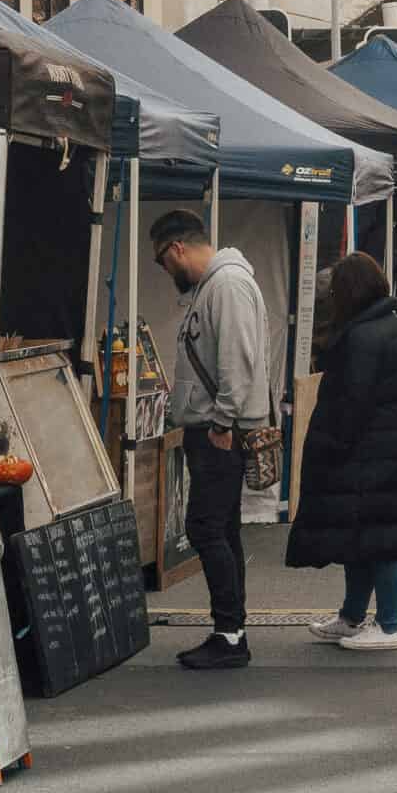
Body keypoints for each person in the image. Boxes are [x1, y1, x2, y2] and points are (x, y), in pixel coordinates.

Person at [289, 252, 397, 654]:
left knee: (382, 541)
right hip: (388, 450)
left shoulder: (361, 336)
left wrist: (330, 445)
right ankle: (352, 616)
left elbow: (350, 402)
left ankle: (388, 625)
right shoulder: (386, 325)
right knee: (364, 538)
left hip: (369, 453)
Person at [154, 210, 271, 671]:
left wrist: (222, 422)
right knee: (221, 528)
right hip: (215, 427)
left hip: (221, 432)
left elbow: (236, 361)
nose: (166, 272)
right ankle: (231, 629)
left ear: (178, 248)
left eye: (164, 261)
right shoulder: (219, 286)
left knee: (207, 527)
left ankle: (230, 634)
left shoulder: (227, 285)